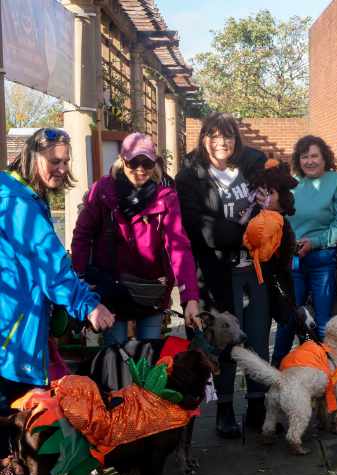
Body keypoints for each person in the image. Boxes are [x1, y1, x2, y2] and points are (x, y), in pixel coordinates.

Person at [0, 128, 114, 457]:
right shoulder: (21, 204)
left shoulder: (16, 192)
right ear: (33, 156)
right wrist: (89, 306)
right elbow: (52, 268)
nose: (62, 168)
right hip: (13, 336)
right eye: (54, 161)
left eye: (66, 161)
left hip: (18, 324)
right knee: (21, 427)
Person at [175, 112, 269, 437]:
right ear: (204, 139)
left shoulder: (251, 170)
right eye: (214, 135)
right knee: (225, 341)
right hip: (217, 273)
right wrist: (242, 233)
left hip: (254, 270)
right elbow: (196, 226)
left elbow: (273, 203)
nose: (221, 142)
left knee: (257, 338)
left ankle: (258, 404)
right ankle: (225, 409)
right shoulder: (190, 177)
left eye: (227, 135)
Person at [71, 132, 201, 346]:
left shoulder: (166, 198)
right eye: (133, 162)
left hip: (151, 287)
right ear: (123, 160)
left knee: (149, 355)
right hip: (111, 285)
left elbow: (179, 247)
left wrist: (190, 297)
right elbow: (82, 235)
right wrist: (80, 277)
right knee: (116, 354)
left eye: (147, 163)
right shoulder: (102, 192)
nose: (140, 169)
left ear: (154, 164)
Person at [271, 136, 337, 365]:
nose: (309, 161)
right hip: (292, 261)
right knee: (287, 320)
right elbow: (279, 217)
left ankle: (326, 370)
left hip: (322, 260)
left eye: (314, 155)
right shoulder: (292, 183)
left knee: (324, 322)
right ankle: (278, 368)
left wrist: (315, 243)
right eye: (304, 156)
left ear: (324, 157)